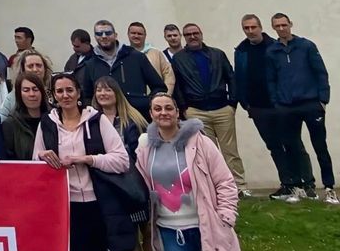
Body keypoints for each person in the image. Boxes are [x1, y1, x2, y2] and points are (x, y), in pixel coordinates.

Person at [137, 93, 246, 251]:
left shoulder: (201, 143)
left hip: (207, 226)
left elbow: (225, 181)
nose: (163, 113)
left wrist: (226, 216)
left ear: (178, 113)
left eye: (169, 108)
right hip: (171, 231)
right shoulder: (145, 148)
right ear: (150, 114)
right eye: (157, 109)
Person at [34, 73, 131, 251]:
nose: (65, 96)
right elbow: (36, 165)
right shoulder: (47, 123)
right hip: (69, 207)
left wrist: (88, 159)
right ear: (53, 96)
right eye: (60, 91)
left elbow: (121, 160)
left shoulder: (97, 120)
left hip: (101, 205)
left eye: (70, 90)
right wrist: (43, 158)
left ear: (78, 93)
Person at [94, 76, 160, 251]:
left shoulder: (133, 119)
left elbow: (143, 149)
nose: (103, 94)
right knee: (129, 230)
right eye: (99, 90)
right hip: (111, 183)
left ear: (117, 93)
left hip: (136, 179)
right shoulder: (92, 121)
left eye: (108, 90)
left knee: (147, 229)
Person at [169, 23, 247, 195]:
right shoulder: (179, 59)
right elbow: (178, 86)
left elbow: (231, 77)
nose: (192, 36)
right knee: (208, 152)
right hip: (196, 111)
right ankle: (217, 188)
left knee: (230, 151)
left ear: (201, 34)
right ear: (184, 37)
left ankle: (240, 187)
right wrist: (184, 109)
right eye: (188, 34)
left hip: (222, 109)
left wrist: (232, 103)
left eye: (195, 33)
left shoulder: (217, 54)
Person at [235, 14, 308, 201]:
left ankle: (306, 183)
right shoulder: (241, 51)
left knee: (293, 144)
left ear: (260, 27)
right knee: (274, 147)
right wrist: (246, 103)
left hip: (280, 105)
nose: (250, 31)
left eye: (253, 27)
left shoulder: (274, 47)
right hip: (258, 108)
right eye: (246, 28)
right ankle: (288, 184)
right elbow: (240, 77)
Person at [267, 13, 335, 204]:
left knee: (320, 147)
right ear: (273, 28)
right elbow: (271, 79)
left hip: (311, 104)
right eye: (277, 26)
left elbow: (321, 73)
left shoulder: (306, 46)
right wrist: (276, 102)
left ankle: (329, 188)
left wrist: (323, 100)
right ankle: (299, 187)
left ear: (290, 24)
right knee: (292, 147)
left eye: (284, 25)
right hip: (286, 107)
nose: (281, 29)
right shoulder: (272, 52)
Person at [79, 20, 166, 118]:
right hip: (107, 121)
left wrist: (147, 103)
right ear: (95, 37)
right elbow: (87, 96)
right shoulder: (90, 64)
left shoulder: (136, 57)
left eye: (108, 33)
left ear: (115, 35)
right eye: (99, 34)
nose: (104, 36)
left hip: (139, 117)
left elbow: (159, 87)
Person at [2, 73, 48, 161]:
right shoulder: (10, 125)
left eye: (35, 89)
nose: (32, 94)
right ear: (19, 94)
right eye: (26, 90)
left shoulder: (53, 119)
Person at [126, 22, 175, 91]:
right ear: (128, 34)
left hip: (156, 98)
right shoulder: (123, 55)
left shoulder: (157, 53)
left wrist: (166, 94)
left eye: (140, 34)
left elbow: (169, 75)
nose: (136, 36)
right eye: (133, 33)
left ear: (145, 35)